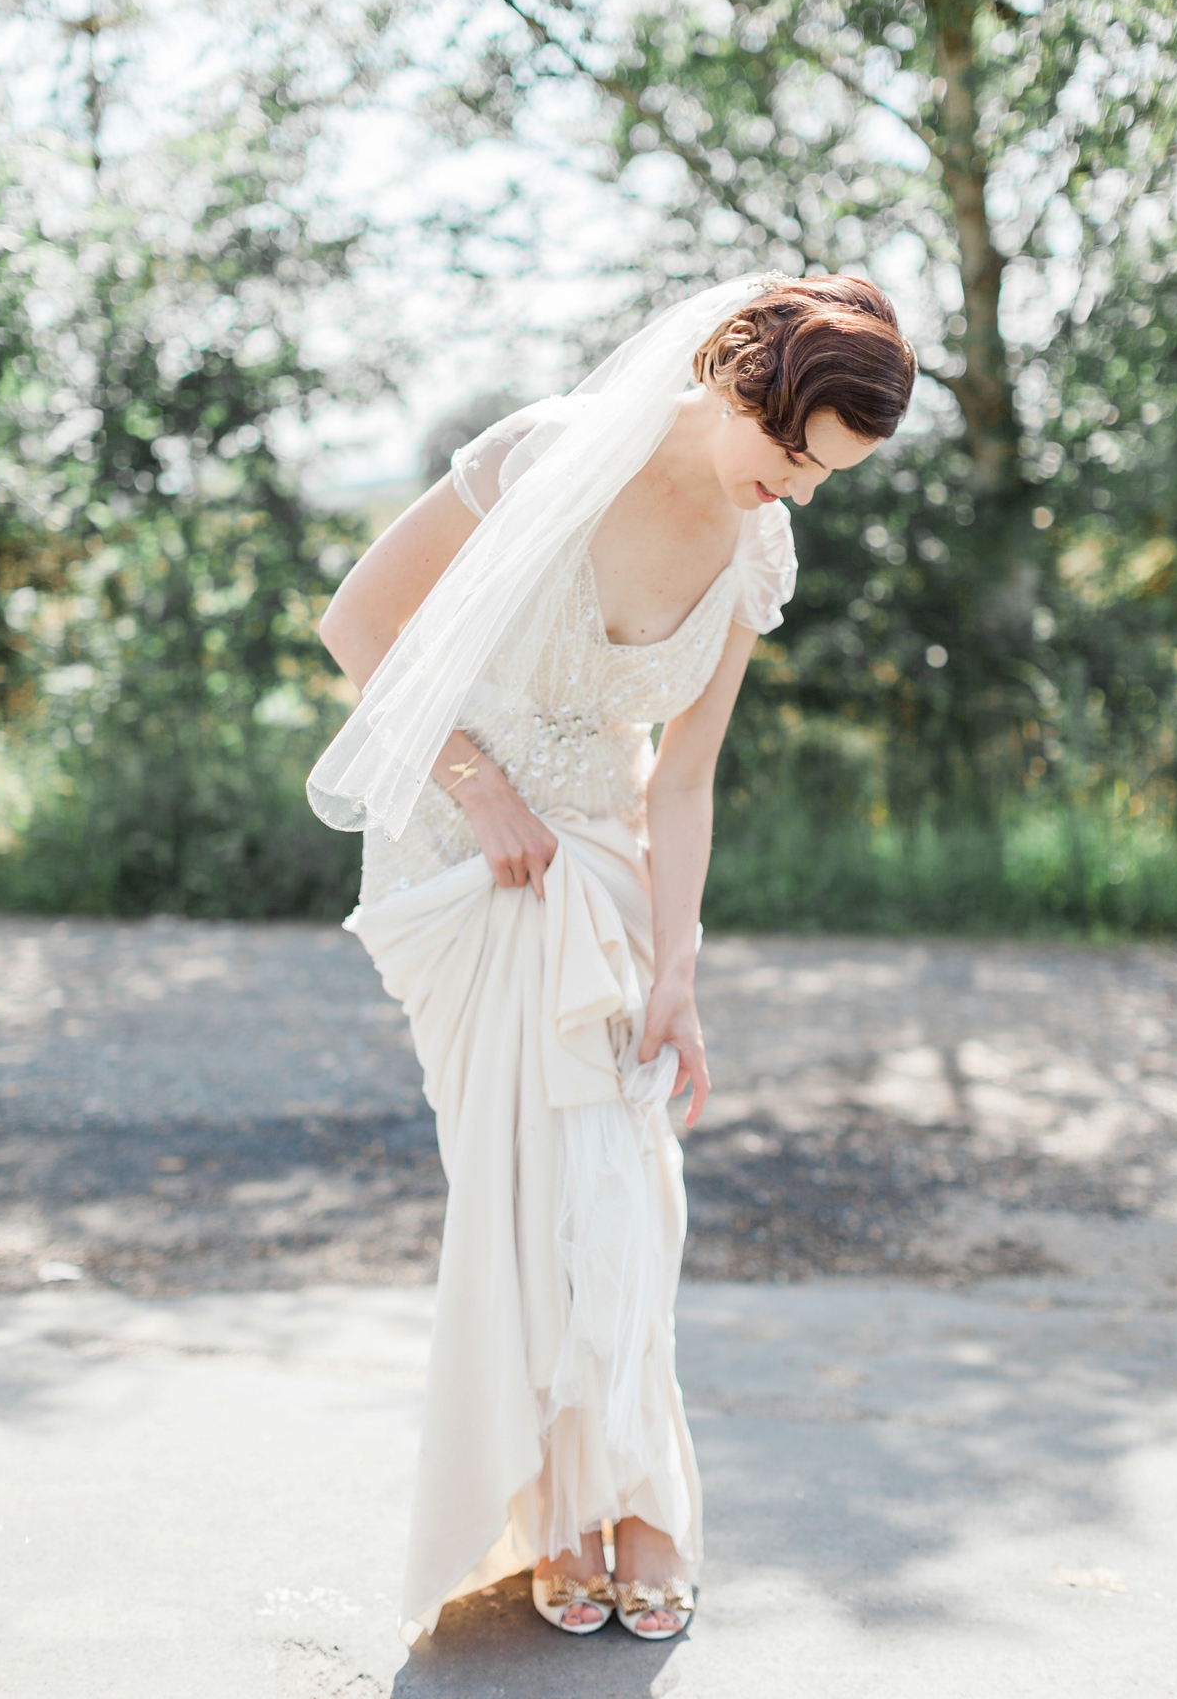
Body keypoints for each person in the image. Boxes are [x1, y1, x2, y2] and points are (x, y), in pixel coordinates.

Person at [308, 272, 916, 1644]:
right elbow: (360, 626)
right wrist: (478, 790)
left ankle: (632, 1500)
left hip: (606, 872)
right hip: (466, 862)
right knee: (526, 1191)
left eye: (830, 477)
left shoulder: (760, 555)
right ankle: (555, 1514)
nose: (804, 496)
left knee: (626, 1186)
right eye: (796, 460)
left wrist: (679, 974)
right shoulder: (539, 457)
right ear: (734, 385)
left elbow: (683, 785)